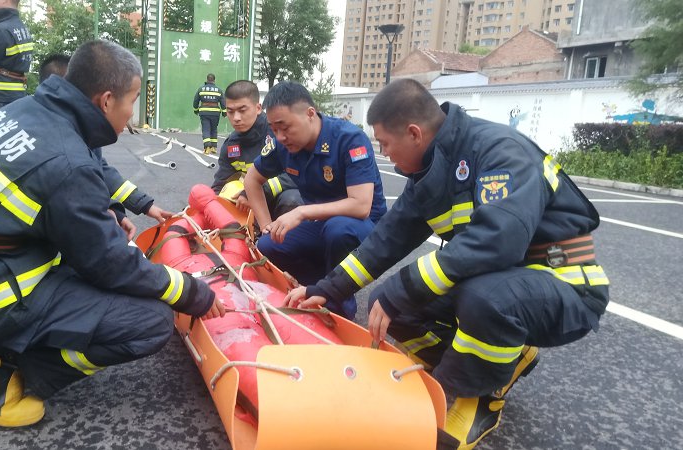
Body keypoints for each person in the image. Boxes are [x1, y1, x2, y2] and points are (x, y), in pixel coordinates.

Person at [0, 40, 224, 429]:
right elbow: (109, 264)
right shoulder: (67, 158)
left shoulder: (28, 112)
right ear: (106, 100)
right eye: (133, 100)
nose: (132, 112)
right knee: (152, 320)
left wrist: (107, 213)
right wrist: (190, 292)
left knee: (86, 262)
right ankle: (6, 368)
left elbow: (65, 186)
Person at [285, 78, 610, 449]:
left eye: (386, 144)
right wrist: (326, 290)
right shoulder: (432, 172)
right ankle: (480, 365)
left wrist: (403, 288)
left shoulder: (499, 151)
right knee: (385, 305)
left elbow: (497, 242)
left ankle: (480, 397)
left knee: (481, 297)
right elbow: (385, 240)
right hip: (502, 281)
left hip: (565, 283)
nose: (385, 155)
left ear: (414, 133)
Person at [243, 81, 387, 320]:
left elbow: (361, 206)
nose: (280, 136)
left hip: (363, 226)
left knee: (338, 230)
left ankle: (339, 304)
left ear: (310, 114)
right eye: (274, 129)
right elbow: (252, 180)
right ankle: (313, 287)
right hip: (319, 222)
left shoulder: (349, 139)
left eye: (285, 127)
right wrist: (266, 224)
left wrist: (301, 212)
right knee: (268, 245)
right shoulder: (282, 146)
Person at [38, 54, 161, 239]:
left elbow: (99, 171)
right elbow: (83, 209)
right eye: (131, 101)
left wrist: (140, 205)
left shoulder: (64, 126)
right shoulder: (64, 150)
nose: (130, 113)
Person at [211, 80, 301, 219]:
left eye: (242, 111)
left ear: (258, 108)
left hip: (279, 200)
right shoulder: (231, 145)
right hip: (246, 204)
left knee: (292, 199)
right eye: (230, 112)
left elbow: (297, 174)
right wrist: (206, 204)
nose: (236, 118)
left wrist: (255, 192)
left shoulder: (278, 133)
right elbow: (220, 184)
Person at [192, 73, 226, 155]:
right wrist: (224, 112)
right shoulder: (218, 90)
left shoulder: (201, 89)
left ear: (207, 79)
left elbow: (196, 100)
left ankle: (207, 147)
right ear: (214, 80)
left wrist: (196, 110)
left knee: (206, 129)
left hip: (204, 113)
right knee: (214, 129)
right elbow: (223, 102)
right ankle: (214, 147)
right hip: (215, 113)